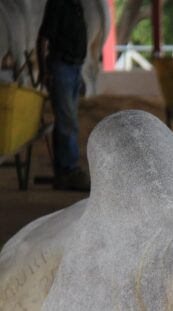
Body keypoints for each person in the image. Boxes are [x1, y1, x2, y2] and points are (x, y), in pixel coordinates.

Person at [37, 0, 91, 191]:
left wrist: (81, 75)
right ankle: (70, 169)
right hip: (61, 68)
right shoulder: (58, 4)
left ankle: (63, 171)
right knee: (68, 123)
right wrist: (44, 71)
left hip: (74, 68)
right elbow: (43, 39)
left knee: (65, 122)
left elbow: (75, 42)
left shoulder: (76, 7)